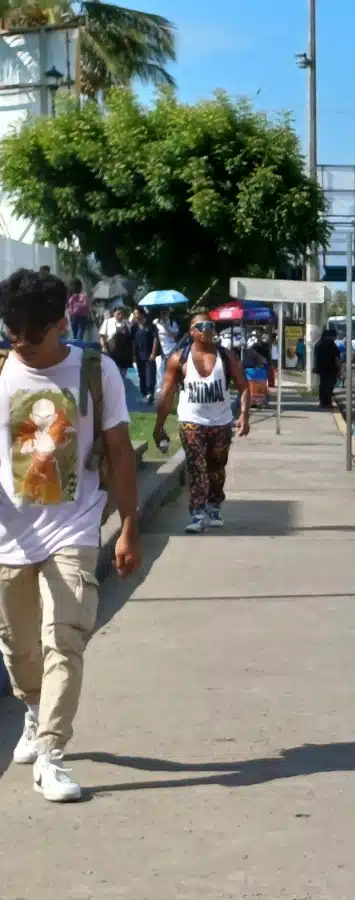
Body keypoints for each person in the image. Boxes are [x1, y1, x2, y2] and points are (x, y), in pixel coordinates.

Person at [0, 268, 141, 803]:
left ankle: (52, 754)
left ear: (61, 322)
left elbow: (122, 450)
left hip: (75, 526)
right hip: (8, 533)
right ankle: (33, 711)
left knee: (66, 639)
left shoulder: (94, 371)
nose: (21, 344)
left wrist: (128, 525)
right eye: (12, 331)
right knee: (18, 647)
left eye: (32, 334)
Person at [153, 316, 249, 534]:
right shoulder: (179, 359)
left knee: (217, 468)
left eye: (211, 326)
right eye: (202, 326)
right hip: (191, 422)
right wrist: (158, 427)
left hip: (221, 423)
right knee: (197, 468)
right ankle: (197, 513)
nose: (207, 330)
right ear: (192, 331)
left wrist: (244, 415)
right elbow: (167, 394)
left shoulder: (227, 357)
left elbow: (243, 386)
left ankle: (214, 507)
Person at [131, 307, 160, 404]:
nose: (135, 315)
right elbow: (133, 342)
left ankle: (150, 393)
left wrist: (153, 353)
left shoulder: (151, 326)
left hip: (149, 354)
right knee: (141, 375)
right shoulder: (134, 327)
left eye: (137, 313)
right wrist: (133, 355)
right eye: (134, 314)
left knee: (150, 374)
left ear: (142, 314)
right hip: (139, 355)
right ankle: (144, 394)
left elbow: (156, 339)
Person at [313, 328, 341, 409]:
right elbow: (336, 359)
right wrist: (339, 369)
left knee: (322, 385)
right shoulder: (332, 345)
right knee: (329, 386)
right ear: (331, 336)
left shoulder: (318, 344)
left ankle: (322, 402)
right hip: (331, 369)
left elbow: (315, 357)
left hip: (321, 369)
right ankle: (328, 402)